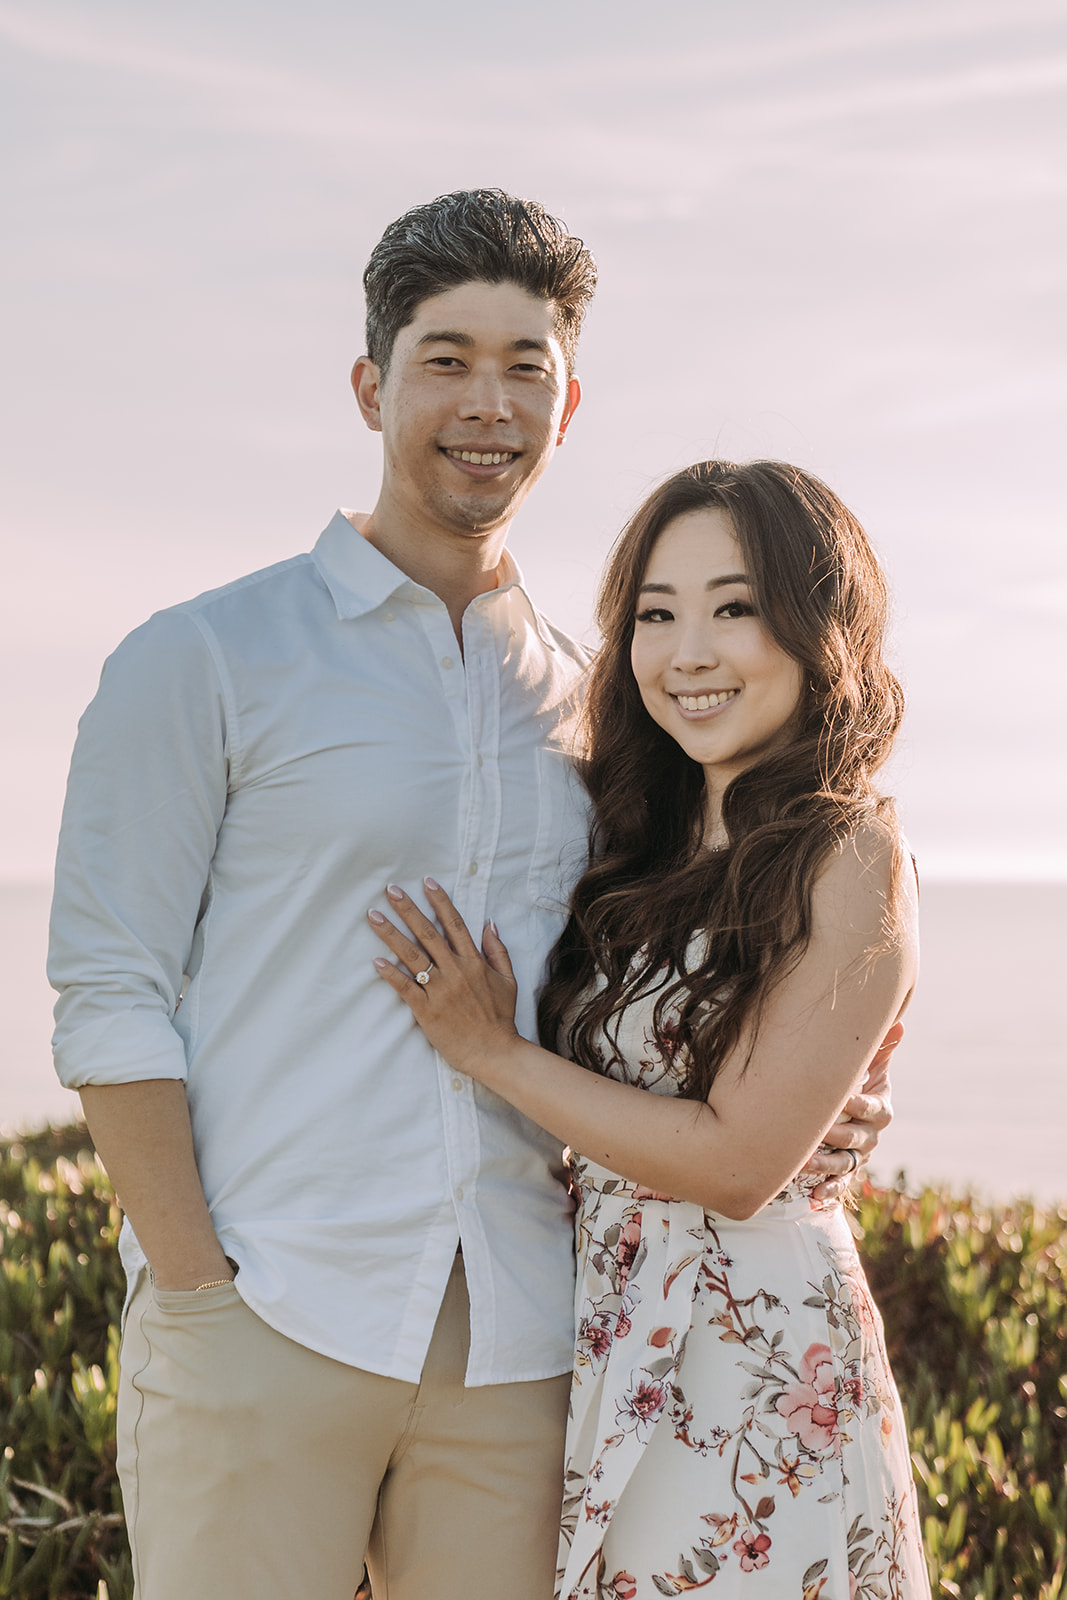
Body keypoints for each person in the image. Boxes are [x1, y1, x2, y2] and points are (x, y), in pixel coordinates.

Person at [48, 190, 891, 1600]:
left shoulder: (599, 709)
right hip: (267, 1309)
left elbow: (690, 961)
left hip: (520, 1342)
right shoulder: (200, 658)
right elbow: (109, 991)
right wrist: (196, 1292)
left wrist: (824, 1087)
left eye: (524, 366)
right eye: (445, 359)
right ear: (372, 384)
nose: (484, 403)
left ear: (567, 409)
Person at [369, 459, 930, 1598]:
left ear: (816, 625)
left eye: (734, 608)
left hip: (759, 1360)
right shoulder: (635, 839)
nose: (687, 653)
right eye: (655, 614)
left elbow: (732, 1164)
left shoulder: (852, 850)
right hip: (611, 1333)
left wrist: (490, 1051)